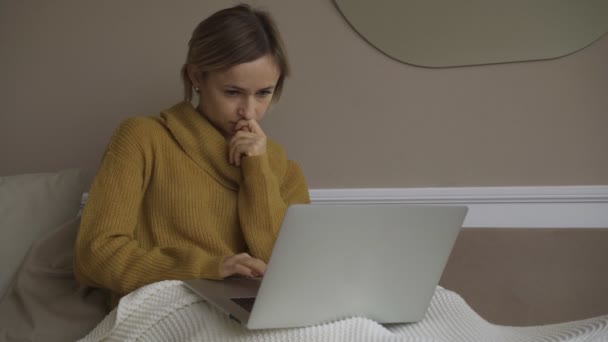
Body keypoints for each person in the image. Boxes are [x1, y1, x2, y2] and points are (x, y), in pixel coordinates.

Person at [74, 4, 310, 308]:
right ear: (196, 76)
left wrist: (258, 171)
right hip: (164, 309)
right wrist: (208, 268)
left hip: (257, 315)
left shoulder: (284, 171)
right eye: (233, 92)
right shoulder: (143, 138)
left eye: (264, 93)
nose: (249, 112)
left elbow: (291, 274)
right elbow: (94, 256)